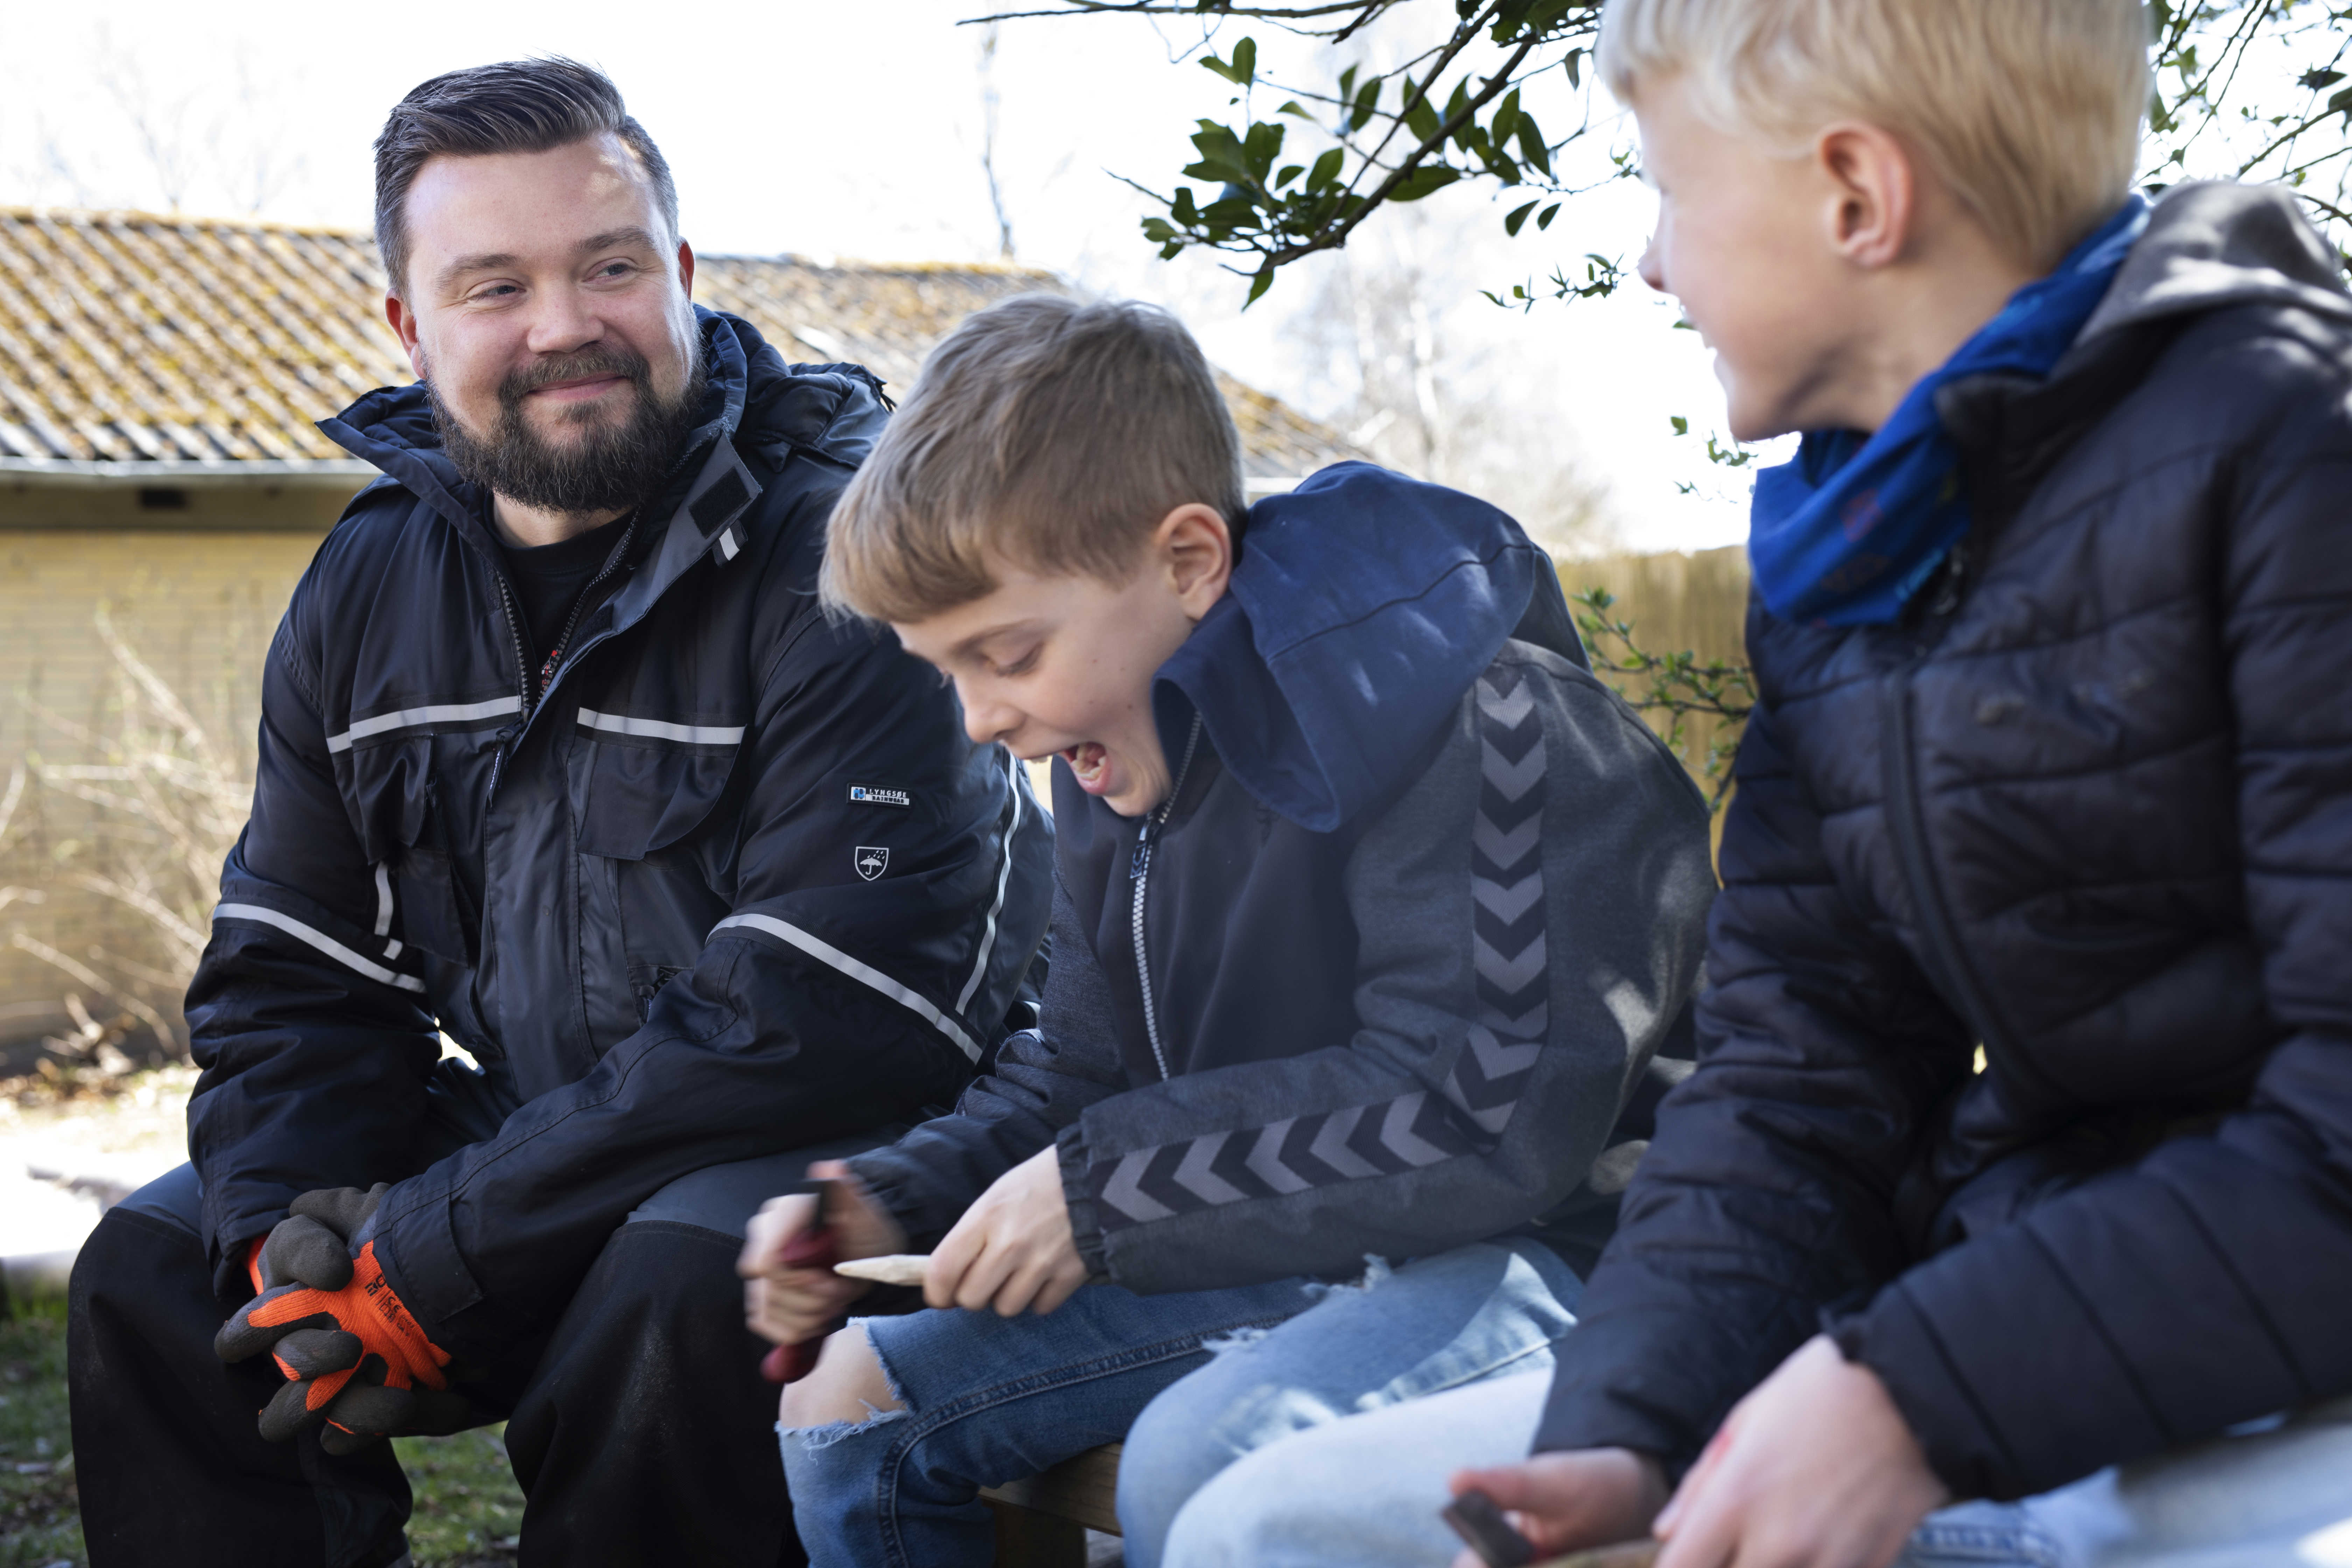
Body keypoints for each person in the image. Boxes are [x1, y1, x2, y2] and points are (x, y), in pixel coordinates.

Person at [1152, 2, 2352, 1566]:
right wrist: (1630, 1428)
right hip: (2010, 1304)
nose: (1652, 264)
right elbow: (1802, 1076)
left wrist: (1909, 1395)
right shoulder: (1847, 552)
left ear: (1856, 194)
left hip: (2284, 1382)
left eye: (1667, 189)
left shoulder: (2295, 453)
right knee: (1282, 1533)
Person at [66, 58, 1051, 1568]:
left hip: (889, 1149)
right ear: (409, 325)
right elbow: (295, 972)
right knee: (157, 1265)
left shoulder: (852, 546)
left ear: (683, 273)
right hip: (558, 1132)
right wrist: (294, 1250)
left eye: (609, 266)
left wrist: (433, 1252)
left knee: (675, 1277)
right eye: (494, 284)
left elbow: (831, 1012)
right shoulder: (368, 583)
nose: (563, 326)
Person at [734, 292, 1718, 1568]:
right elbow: (1087, 1074)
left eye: (1011, 654)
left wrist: (1104, 1193)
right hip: (1295, 1245)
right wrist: (887, 1204)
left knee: (1201, 1460)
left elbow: (1485, 1112)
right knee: (847, 1402)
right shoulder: (1114, 760)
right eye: (949, 671)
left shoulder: (1495, 722)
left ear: (1189, 562)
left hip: (1568, 1254)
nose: (981, 720)